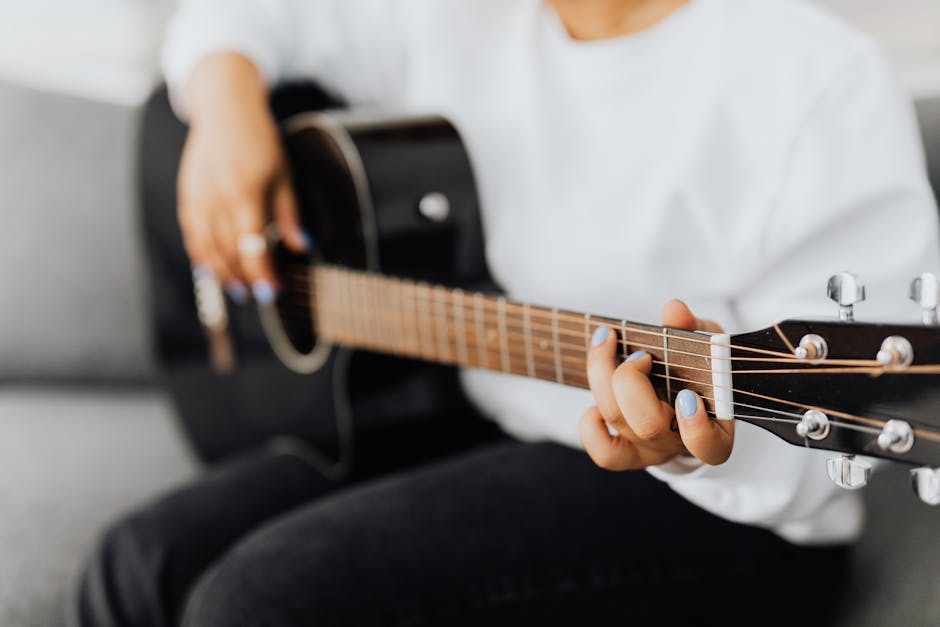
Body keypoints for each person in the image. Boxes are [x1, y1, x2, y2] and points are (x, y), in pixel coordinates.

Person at [75, 0, 940, 625]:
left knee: (255, 600)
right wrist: (226, 106)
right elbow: (236, 17)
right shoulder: (457, 17)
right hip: (467, 415)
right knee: (138, 564)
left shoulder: (814, 76)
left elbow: (835, 424)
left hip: (728, 519)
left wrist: (685, 446)